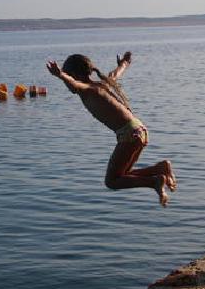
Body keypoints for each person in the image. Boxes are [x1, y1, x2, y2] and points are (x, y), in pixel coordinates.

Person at [46, 51, 176, 206]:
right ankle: (160, 169)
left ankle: (155, 181)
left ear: (74, 74)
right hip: (139, 129)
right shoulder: (103, 83)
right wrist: (124, 63)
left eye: (69, 76)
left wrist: (61, 75)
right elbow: (116, 73)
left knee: (112, 182)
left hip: (129, 134)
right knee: (122, 176)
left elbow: (74, 84)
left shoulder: (86, 89)